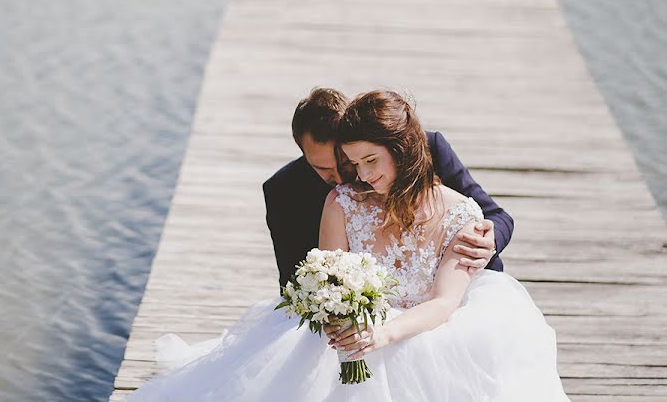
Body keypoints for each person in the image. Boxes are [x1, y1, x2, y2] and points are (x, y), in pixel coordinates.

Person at [127, 90, 568, 401]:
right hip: (350, 318)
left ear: (401, 149)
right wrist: (333, 312)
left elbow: (487, 225)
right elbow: (302, 278)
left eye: (362, 162)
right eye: (341, 166)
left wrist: (484, 241)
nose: (352, 176)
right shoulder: (312, 197)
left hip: (433, 315)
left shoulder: (442, 173)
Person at [264, 87, 513, 289]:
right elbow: (293, 281)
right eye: (323, 169)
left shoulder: (424, 147)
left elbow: (496, 215)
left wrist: (488, 240)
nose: (340, 178)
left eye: (344, 163)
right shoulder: (284, 191)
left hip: (454, 290)